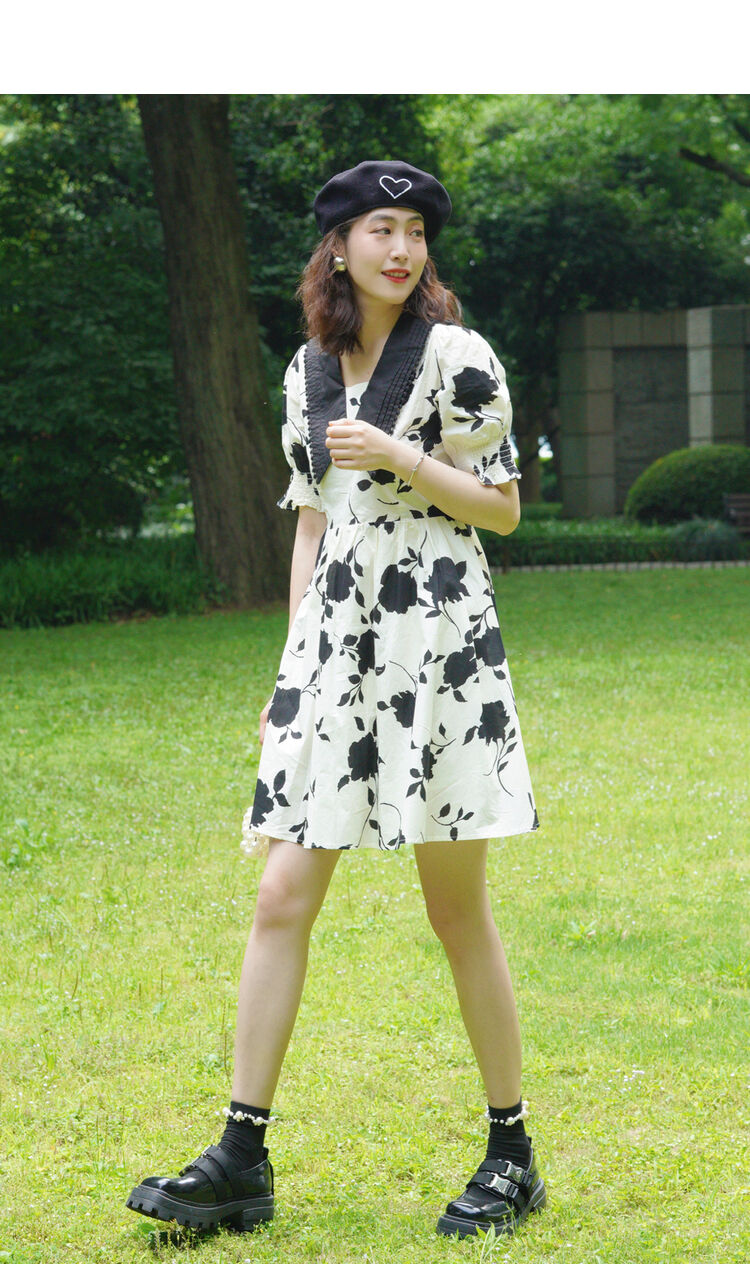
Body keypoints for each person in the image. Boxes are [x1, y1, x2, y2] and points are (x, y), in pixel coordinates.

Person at [126, 159, 546, 1242]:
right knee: (280, 896)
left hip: (439, 649)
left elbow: (502, 508)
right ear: (339, 247)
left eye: (414, 231)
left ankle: (512, 1151)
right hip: (335, 654)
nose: (401, 250)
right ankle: (241, 1154)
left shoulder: (457, 357)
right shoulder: (307, 369)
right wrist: (290, 676)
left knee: (455, 909)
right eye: (379, 230)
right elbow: (311, 524)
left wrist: (401, 454)